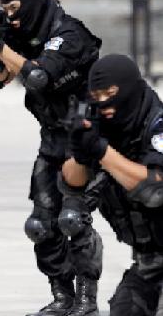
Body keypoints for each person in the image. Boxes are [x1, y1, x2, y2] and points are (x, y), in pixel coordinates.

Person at [0, 0, 103, 316]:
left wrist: (1, 48)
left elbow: (39, 76)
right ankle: (62, 297)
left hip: (85, 140)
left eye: (14, 10)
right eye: (5, 11)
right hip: (51, 140)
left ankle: (87, 300)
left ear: (30, 4)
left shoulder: (69, 34)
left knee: (73, 219)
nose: (11, 17)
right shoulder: (21, 34)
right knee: (40, 224)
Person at [62, 54, 163, 316]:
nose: (104, 102)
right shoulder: (102, 121)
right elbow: (72, 187)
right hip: (151, 263)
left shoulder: (156, 125)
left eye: (111, 93)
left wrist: (101, 151)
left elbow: (155, 191)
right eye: (98, 94)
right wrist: (80, 152)